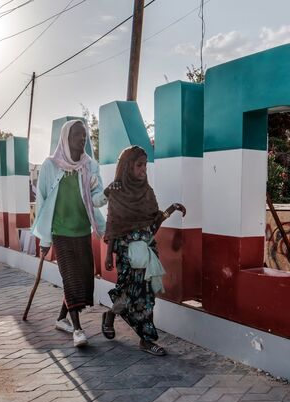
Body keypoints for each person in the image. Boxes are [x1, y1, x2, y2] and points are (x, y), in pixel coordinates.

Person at [103, 145, 186, 356]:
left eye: (145, 165)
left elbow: (153, 223)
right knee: (127, 295)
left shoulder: (147, 191)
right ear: (127, 166)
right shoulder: (117, 191)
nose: (143, 170)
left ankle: (146, 339)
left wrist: (171, 209)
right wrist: (108, 254)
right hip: (125, 253)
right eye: (139, 165)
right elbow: (112, 223)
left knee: (146, 296)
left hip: (147, 253)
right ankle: (111, 315)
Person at [31, 120, 107, 347]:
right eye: (77, 135)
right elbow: (42, 202)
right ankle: (77, 330)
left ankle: (61, 318)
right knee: (71, 278)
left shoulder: (90, 165)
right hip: (60, 233)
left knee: (83, 279)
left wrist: (107, 195)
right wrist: (45, 239)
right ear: (65, 138)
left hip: (83, 230)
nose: (82, 139)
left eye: (84, 135)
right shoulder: (50, 166)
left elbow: (95, 198)